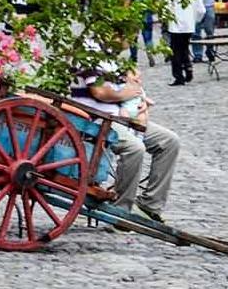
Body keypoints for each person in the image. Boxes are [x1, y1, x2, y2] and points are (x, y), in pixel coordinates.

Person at [72, 64, 179, 222]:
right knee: (134, 148)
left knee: (169, 141)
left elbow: (132, 86)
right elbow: (99, 92)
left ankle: (150, 205)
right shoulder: (90, 52)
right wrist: (126, 94)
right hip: (99, 119)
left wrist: (140, 104)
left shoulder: (112, 58)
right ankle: (120, 209)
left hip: (123, 117)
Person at [168, 0, 205, 85]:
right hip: (189, 27)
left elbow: (167, 9)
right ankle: (188, 69)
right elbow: (201, 11)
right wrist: (195, 20)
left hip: (175, 27)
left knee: (176, 51)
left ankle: (179, 76)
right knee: (184, 48)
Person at [128, 0, 157, 66]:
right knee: (148, 38)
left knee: (133, 38)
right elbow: (155, 2)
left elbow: (127, 2)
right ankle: (150, 53)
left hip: (135, 16)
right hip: (147, 16)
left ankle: (133, 58)